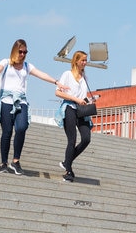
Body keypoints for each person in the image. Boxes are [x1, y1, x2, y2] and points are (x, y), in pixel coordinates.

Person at [0, 39, 60, 175]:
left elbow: (41, 74)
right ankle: (4, 163)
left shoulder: (27, 66)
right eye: (21, 51)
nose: (23, 54)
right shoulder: (6, 63)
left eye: (25, 52)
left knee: (22, 127)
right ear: (15, 51)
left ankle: (16, 161)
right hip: (6, 100)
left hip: (21, 101)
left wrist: (56, 82)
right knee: (7, 132)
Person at [54, 50, 94, 182]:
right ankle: (68, 170)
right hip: (69, 108)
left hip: (81, 110)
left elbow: (83, 96)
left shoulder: (85, 78)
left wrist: (89, 100)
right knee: (72, 139)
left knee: (86, 138)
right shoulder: (67, 74)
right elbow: (58, 93)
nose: (85, 62)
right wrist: (75, 99)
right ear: (76, 61)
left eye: (85, 60)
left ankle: (67, 161)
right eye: (82, 60)